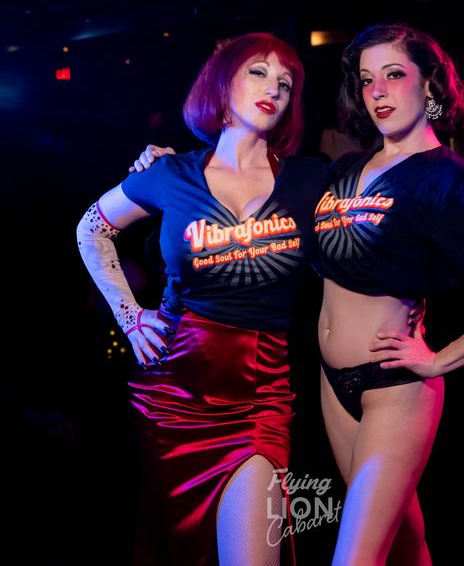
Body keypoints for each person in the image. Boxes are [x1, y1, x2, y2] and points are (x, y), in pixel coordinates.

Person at [130, 22, 464, 566]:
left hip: (395, 388)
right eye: (367, 79)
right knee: (405, 543)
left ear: (430, 85)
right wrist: (170, 162)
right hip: (332, 386)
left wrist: (439, 360)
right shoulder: (344, 170)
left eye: (394, 75)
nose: (378, 91)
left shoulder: (453, 180)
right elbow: (254, 179)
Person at [76, 33, 332, 566]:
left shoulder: (311, 180)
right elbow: (91, 229)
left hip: (259, 397)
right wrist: (129, 316)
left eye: (285, 83)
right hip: (172, 393)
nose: (273, 89)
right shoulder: (170, 173)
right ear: (221, 83)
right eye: (258, 72)